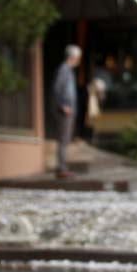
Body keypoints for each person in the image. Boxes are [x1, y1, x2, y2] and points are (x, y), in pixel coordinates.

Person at [52, 45, 82, 178]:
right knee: (63, 139)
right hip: (65, 111)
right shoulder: (64, 69)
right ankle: (61, 168)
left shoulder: (68, 70)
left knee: (65, 139)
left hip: (69, 110)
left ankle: (63, 167)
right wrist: (63, 105)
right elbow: (58, 88)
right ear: (73, 57)